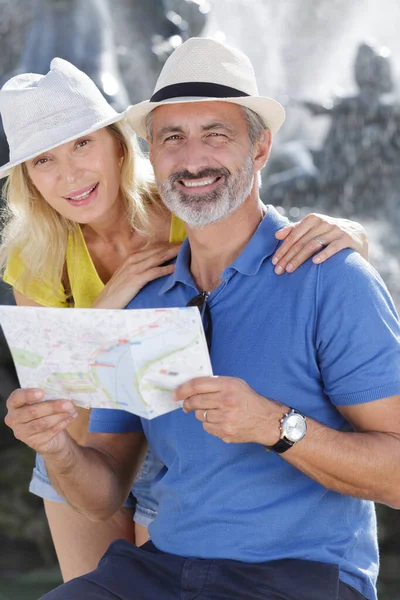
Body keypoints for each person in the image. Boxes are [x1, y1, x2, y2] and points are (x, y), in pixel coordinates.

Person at [2, 42, 382, 599]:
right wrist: (115, 304)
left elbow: (258, 223)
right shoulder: (35, 259)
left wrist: (352, 235)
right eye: (43, 160)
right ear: (29, 179)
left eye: (82, 143)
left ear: (120, 147)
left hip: (185, 448)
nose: (69, 174)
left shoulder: (181, 204)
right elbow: (63, 394)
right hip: (88, 436)